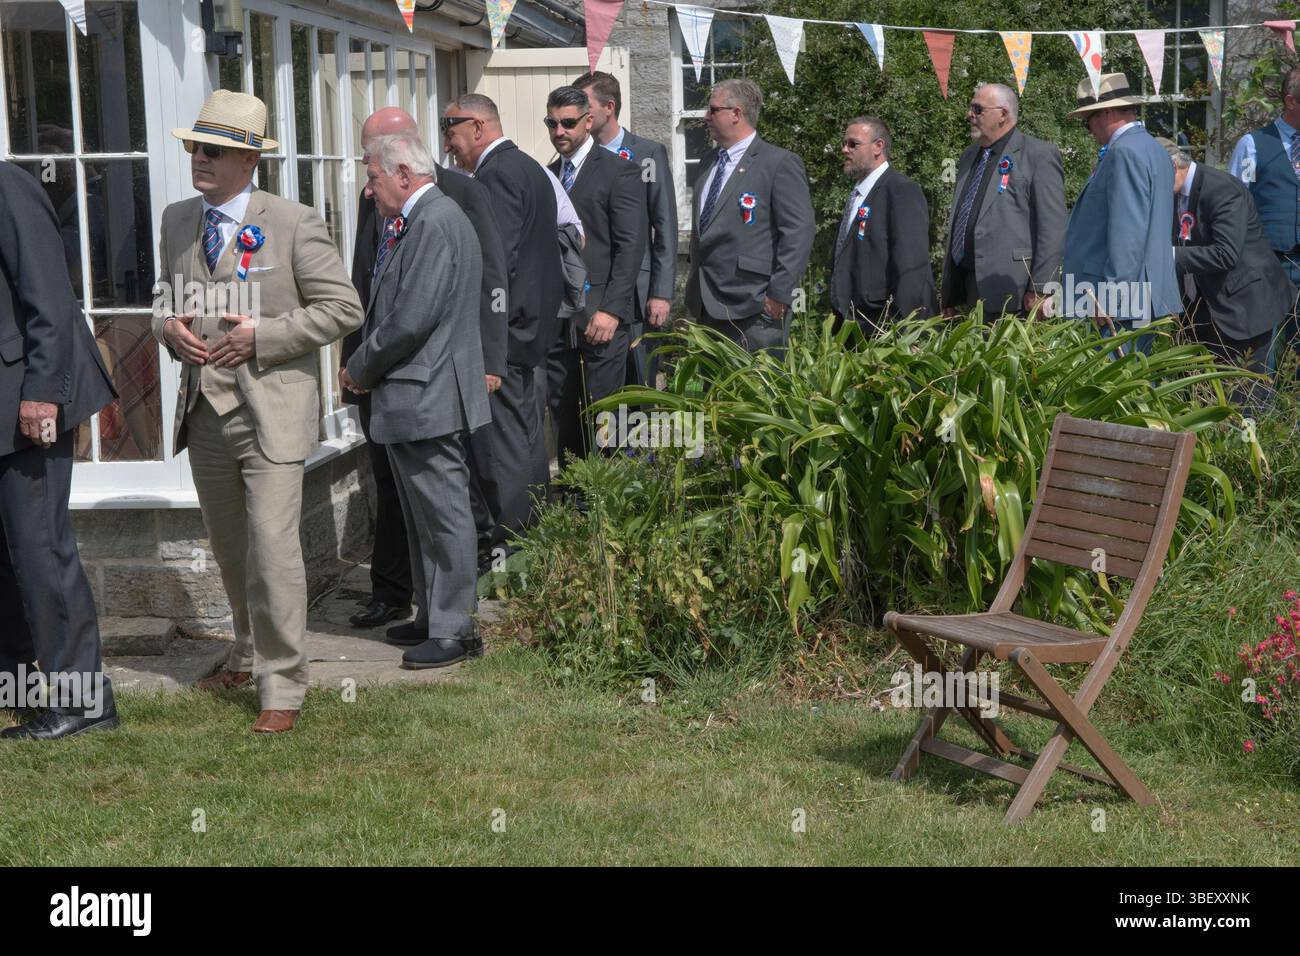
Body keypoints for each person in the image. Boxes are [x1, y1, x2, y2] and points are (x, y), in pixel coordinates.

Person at [152, 91, 363, 733]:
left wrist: (262, 337)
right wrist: (168, 329)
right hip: (205, 412)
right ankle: (245, 652)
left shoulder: (294, 221)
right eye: (193, 146)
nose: (198, 159)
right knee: (233, 550)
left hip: (271, 411)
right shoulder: (176, 218)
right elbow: (164, 295)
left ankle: (284, 688)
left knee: (274, 549)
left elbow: (343, 309)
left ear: (248, 159)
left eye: (212, 149)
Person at [342, 108, 508, 628]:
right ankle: (430, 614)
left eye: (373, 178)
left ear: (404, 176)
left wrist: (359, 366)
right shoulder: (418, 218)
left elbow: (409, 318)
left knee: (444, 516)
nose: (369, 191)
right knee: (420, 518)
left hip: (429, 392)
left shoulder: (435, 220)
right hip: (416, 393)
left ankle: (455, 627)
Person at [0, 161, 119, 740]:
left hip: (26, 402)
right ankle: (18, 688)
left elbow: (49, 295)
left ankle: (84, 702)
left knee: (41, 550)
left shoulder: (7, 184)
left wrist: (42, 395)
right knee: (7, 556)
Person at [441, 93, 563, 550]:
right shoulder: (528, 166)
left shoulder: (497, 175)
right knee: (527, 438)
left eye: (451, 132)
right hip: (529, 327)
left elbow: (497, 261)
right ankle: (531, 534)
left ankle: (511, 542)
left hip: (507, 331)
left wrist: (487, 339)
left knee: (508, 442)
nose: (449, 146)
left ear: (477, 127)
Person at [543, 85, 646, 463]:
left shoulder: (620, 171)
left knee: (607, 413)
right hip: (559, 316)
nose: (559, 132)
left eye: (568, 123)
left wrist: (612, 309)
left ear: (588, 121)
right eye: (552, 123)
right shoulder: (548, 174)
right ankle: (575, 500)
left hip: (602, 312)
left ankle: (612, 501)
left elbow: (631, 246)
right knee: (563, 409)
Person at [685, 79, 815, 357]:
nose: (706, 117)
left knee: (757, 395)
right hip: (708, 304)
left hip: (754, 307)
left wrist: (779, 293)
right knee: (714, 397)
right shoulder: (709, 161)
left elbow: (798, 232)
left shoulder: (778, 163)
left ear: (737, 113)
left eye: (713, 110)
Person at [1161, 137, 1292, 410]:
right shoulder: (1172, 194)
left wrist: (1165, 255)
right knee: (1202, 398)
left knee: (1244, 399)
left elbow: (1225, 253)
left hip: (1245, 306)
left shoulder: (1221, 189)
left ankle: (1250, 451)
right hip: (1202, 308)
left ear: (1172, 167)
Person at [1062, 74, 1180, 353]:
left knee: (1111, 392)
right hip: (1142, 294)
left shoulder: (1124, 152)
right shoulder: (1153, 148)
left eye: (1087, 120)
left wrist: (1110, 299)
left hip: (1121, 301)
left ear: (1108, 112)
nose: (1088, 130)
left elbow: (1129, 235)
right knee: (1137, 388)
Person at [573, 71, 678, 386]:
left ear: (609, 106)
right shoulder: (575, 156)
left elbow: (665, 226)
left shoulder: (647, 153)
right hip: (592, 294)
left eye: (585, 104)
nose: (579, 114)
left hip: (639, 292)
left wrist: (661, 291)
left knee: (639, 383)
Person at [940, 83, 1065, 317]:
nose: (969, 115)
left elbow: (1052, 228)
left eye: (977, 109)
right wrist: (949, 292)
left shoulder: (1038, 155)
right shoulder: (968, 156)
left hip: (1013, 292)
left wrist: (1040, 288)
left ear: (1003, 114)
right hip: (966, 289)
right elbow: (961, 218)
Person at [829, 116, 935, 332]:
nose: (844, 150)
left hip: (884, 326)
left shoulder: (901, 190)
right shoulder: (857, 194)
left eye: (853, 144)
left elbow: (912, 266)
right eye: (844, 144)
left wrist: (902, 328)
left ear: (878, 146)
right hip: (851, 325)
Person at [1228, 66, 1300, 376]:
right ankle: (1258, 417)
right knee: (1262, 352)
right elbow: (1234, 207)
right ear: (1291, 101)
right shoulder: (1253, 144)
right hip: (1268, 263)